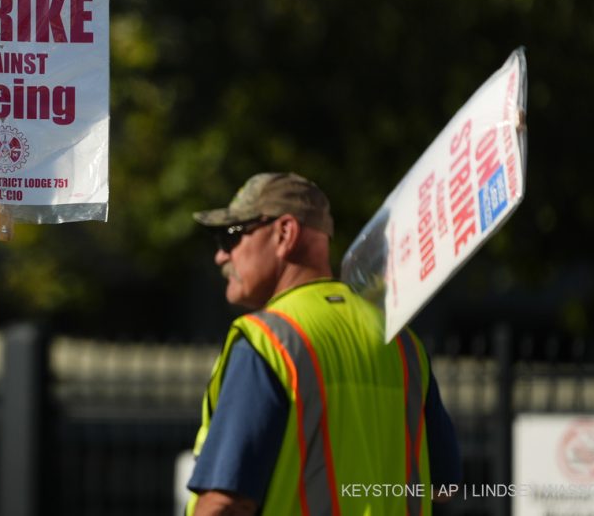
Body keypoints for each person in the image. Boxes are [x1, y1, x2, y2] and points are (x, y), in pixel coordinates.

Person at [186, 172, 461, 516]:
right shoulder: (402, 343)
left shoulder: (268, 340)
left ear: (284, 233)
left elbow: (224, 502)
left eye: (231, 237)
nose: (221, 257)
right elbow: (444, 486)